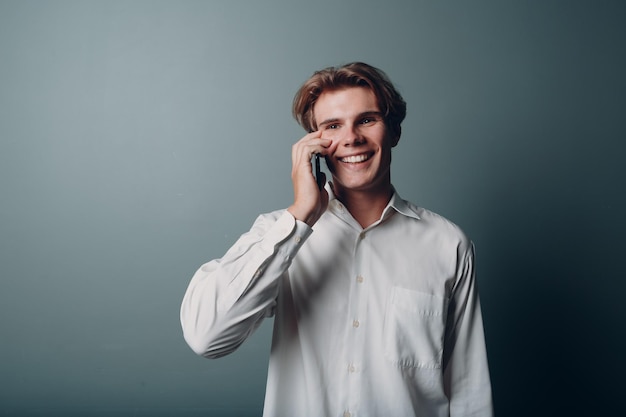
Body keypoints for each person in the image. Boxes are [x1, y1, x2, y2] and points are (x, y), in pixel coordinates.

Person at [180, 62, 493, 416]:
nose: (351, 138)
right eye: (332, 126)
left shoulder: (448, 244)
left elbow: (468, 390)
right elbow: (206, 336)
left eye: (367, 120)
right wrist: (300, 217)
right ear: (313, 145)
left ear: (394, 131)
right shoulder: (278, 235)